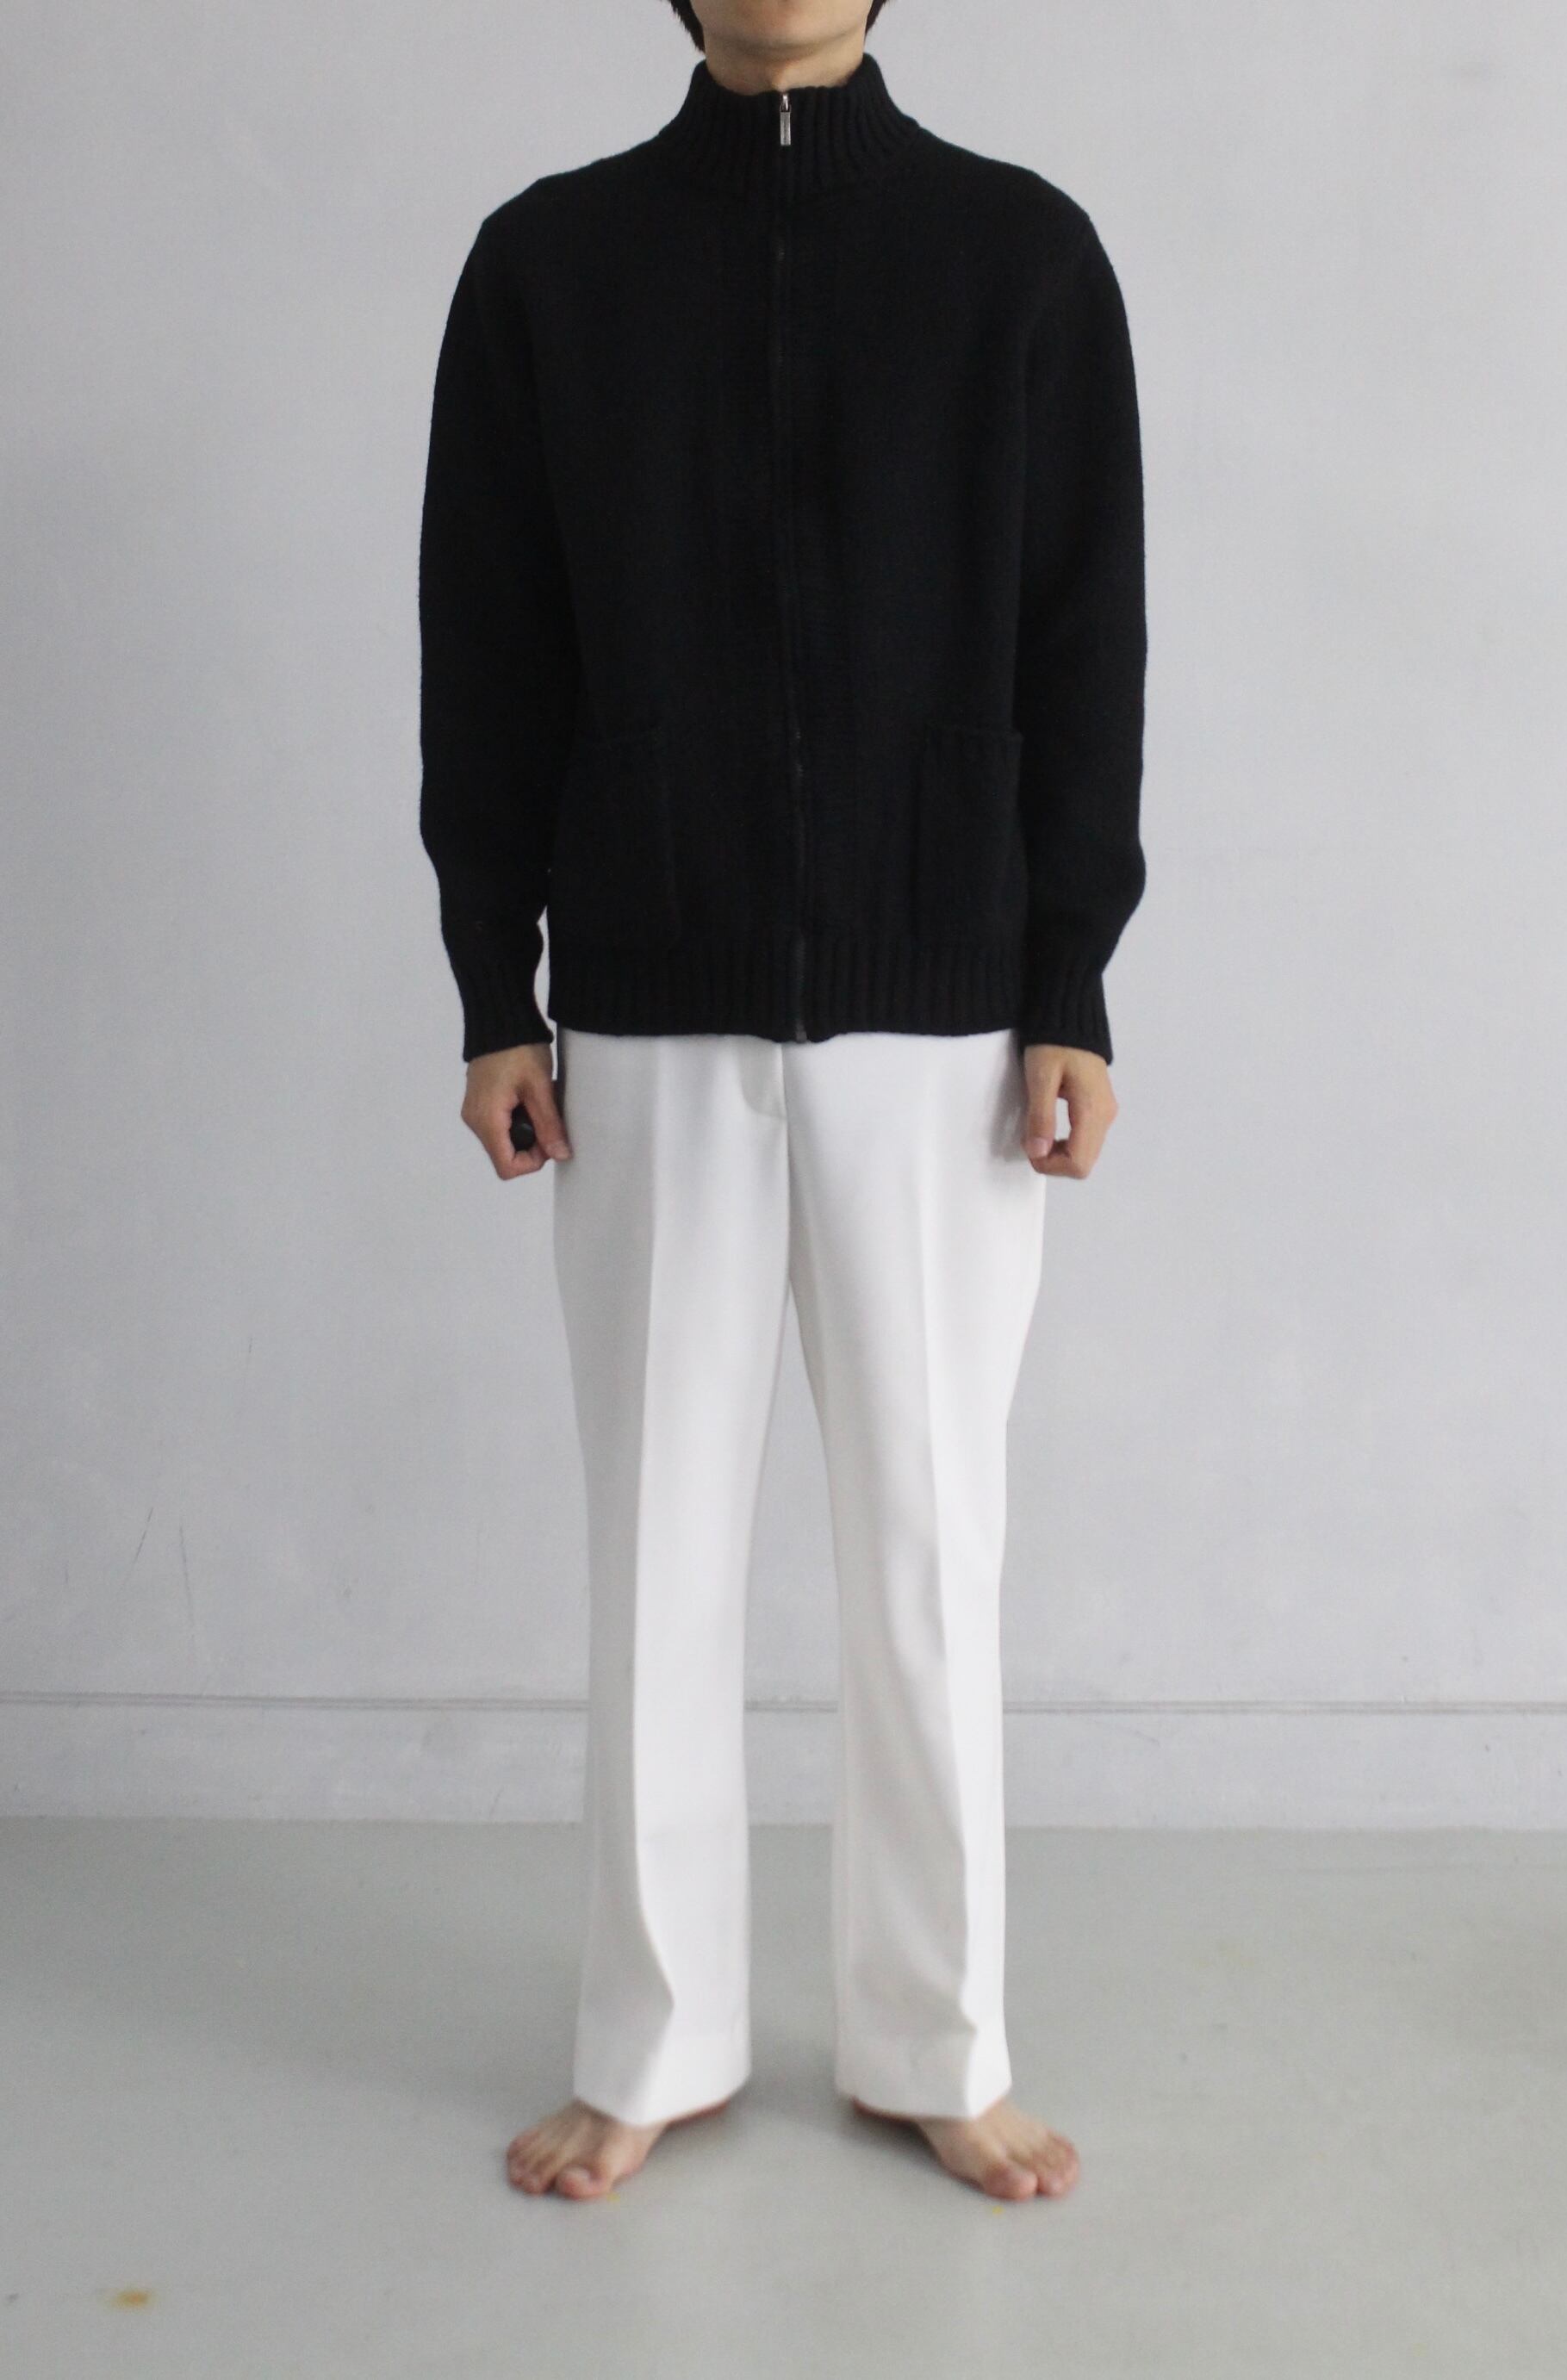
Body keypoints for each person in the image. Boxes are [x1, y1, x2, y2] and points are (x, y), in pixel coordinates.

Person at [418, 0, 1147, 2205]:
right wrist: (496, 987)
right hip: (646, 1010)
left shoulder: (1022, 258)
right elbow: (487, 643)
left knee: (928, 1551)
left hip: (945, 1029)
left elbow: (1084, 646)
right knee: (654, 1550)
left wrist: (1070, 982)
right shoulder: (551, 263)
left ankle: (941, 2037)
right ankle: (653, 2036)